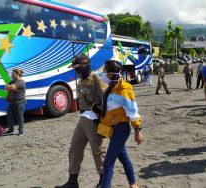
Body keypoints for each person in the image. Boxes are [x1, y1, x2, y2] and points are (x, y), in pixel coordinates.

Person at [55, 54, 107, 188]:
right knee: (75, 148)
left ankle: (104, 179)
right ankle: (73, 181)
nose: (76, 71)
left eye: (78, 68)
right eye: (74, 68)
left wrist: (104, 123)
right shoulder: (81, 81)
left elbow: (107, 101)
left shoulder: (96, 79)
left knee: (97, 150)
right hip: (83, 118)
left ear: (86, 66)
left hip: (94, 119)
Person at [98, 60, 143, 188]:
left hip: (121, 129)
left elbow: (133, 112)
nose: (103, 73)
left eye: (105, 71)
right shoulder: (111, 88)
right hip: (112, 129)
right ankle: (133, 185)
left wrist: (138, 131)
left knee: (107, 164)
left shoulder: (124, 89)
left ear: (111, 74)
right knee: (124, 158)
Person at [3, 68, 26, 136]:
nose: (11, 76)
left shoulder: (21, 82)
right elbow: (5, 87)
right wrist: (9, 87)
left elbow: (12, 87)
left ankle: (21, 131)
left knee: (19, 117)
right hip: (12, 102)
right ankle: (11, 130)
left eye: (13, 74)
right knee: (9, 115)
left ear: (17, 74)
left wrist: (9, 87)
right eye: (11, 74)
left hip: (20, 102)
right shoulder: (13, 81)